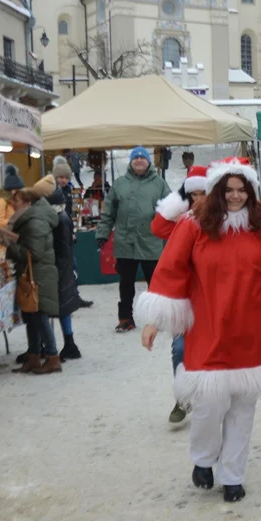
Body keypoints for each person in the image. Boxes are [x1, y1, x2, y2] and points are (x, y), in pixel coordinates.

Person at [135, 158, 261, 503]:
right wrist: (154, 319)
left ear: (252, 190)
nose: (235, 196)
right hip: (208, 327)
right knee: (210, 403)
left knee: (243, 408)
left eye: (242, 190)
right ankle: (202, 459)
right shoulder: (194, 224)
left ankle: (232, 475)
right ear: (216, 191)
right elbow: (171, 270)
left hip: (251, 328)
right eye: (228, 190)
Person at [150, 164, 208, 427]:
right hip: (184, 297)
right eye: (192, 194)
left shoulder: (218, 220)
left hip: (211, 295)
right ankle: (183, 397)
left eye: (202, 193)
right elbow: (157, 227)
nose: (197, 199)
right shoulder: (182, 221)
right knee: (180, 348)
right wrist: (176, 203)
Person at [0, 186, 62, 374]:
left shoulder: (35, 222)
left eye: (15, 202)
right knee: (31, 316)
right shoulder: (27, 220)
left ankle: (52, 357)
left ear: (28, 203)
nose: (12, 204)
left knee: (40, 316)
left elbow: (32, 253)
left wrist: (9, 247)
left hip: (39, 275)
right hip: (32, 274)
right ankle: (33, 356)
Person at [97, 146, 171, 332]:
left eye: (142, 157)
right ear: (131, 161)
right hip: (125, 243)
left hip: (151, 242)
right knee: (126, 285)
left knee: (155, 284)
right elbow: (108, 213)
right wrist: (102, 234)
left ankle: (158, 318)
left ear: (149, 161)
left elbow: (171, 211)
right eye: (135, 157)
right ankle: (125, 318)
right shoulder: (120, 184)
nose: (139, 160)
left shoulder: (159, 184)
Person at [33, 179, 84, 360]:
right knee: (63, 308)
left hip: (57, 269)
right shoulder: (61, 215)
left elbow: (58, 248)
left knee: (49, 308)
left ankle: (50, 347)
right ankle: (68, 344)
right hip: (62, 268)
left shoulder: (56, 219)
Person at [52, 155, 93, 309]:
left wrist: (72, 231)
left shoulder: (68, 189)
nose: (63, 180)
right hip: (56, 237)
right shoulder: (51, 192)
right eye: (60, 177)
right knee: (63, 268)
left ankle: (73, 295)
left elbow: (68, 214)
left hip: (66, 235)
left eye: (66, 177)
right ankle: (62, 298)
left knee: (72, 266)